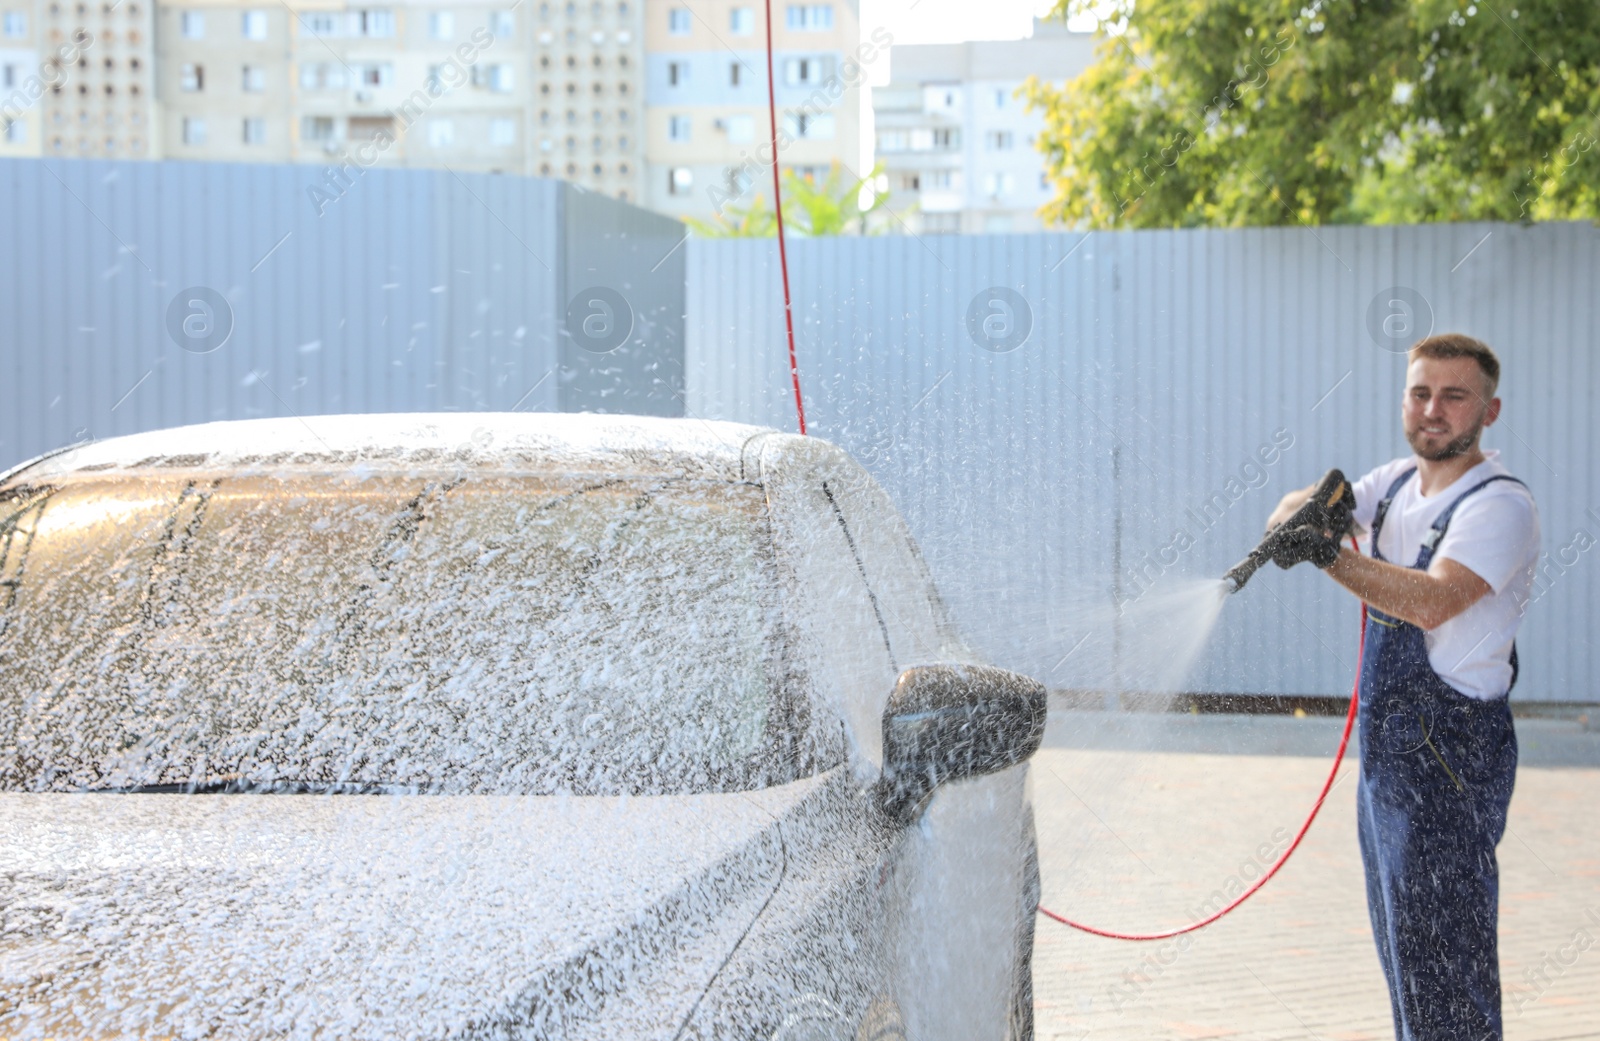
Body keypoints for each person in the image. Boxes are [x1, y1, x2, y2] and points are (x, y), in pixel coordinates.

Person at [1265, 333, 1540, 1041]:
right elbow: (1292, 509)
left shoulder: (1499, 505)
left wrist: (1325, 551)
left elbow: (1431, 600)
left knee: (1448, 953)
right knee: (1405, 949)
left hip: (1454, 757)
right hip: (1388, 758)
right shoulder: (1393, 484)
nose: (1433, 409)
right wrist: (1311, 502)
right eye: (1420, 392)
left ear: (1490, 409)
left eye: (1455, 395)